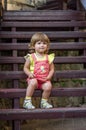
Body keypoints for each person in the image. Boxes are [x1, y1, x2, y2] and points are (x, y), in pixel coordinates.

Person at [23, 32, 55, 109]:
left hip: (44, 80)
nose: (42, 45)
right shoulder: (31, 57)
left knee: (48, 86)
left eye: (44, 43)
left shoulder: (48, 58)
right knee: (33, 82)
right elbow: (25, 68)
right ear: (33, 46)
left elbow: (52, 69)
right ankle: (27, 101)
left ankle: (44, 102)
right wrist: (29, 74)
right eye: (39, 43)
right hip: (34, 79)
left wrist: (49, 77)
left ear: (47, 46)